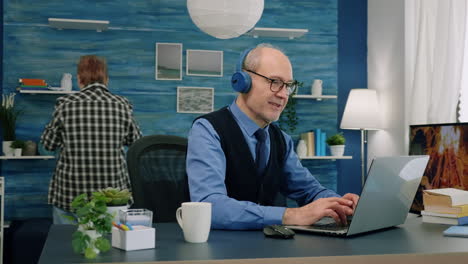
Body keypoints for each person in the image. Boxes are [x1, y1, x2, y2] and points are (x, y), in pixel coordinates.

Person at [186, 43, 359, 230]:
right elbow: (210, 206)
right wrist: (292, 215)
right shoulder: (207, 129)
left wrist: (340, 205)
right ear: (243, 81)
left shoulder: (281, 139)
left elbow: (309, 190)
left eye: (288, 86)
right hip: (219, 251)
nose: (284, 95)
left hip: (270, 247)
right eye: (275, 82)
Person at [41, 55, 142, 224]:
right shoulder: (122, 105)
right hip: (112, 198)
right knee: (112, 247)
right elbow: (136, 143)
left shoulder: (64, 104)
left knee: (64, 247)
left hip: (70, 195)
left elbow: (47, 145)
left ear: (80, 79)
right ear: (106, 80)